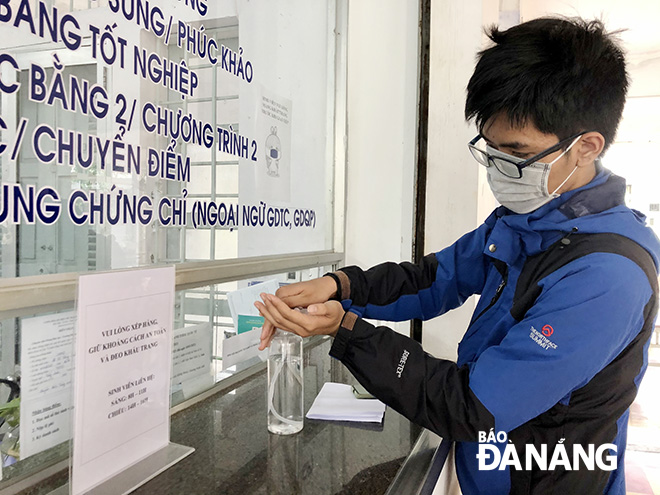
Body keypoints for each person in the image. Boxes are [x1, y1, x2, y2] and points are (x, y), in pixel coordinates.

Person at [255, 17, 660, 495]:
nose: (498, 169)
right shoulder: (524, 219)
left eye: (515, 152)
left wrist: (345, 330)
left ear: (586, 147)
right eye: (489, 148)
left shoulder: (607, 276)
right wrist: (340, 287)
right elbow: (433, 279)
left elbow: (472, 406)